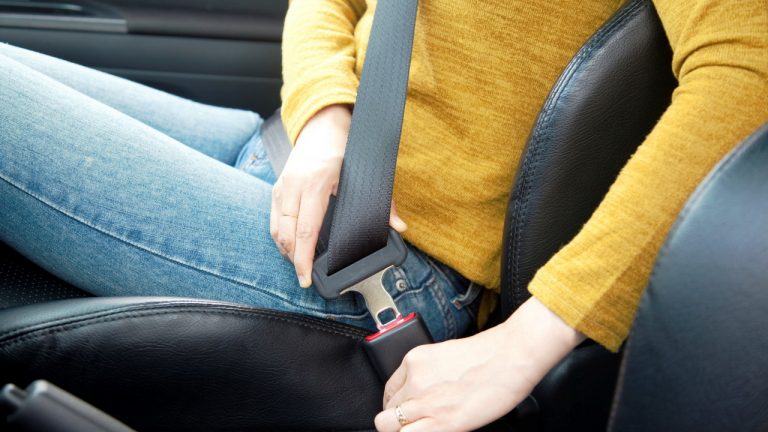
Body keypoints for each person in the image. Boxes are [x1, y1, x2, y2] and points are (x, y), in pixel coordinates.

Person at [0, 0, 765, 430]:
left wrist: (533, 337)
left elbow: (750, 64)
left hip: (378, 269)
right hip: (290, 155)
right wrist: (324, 120)